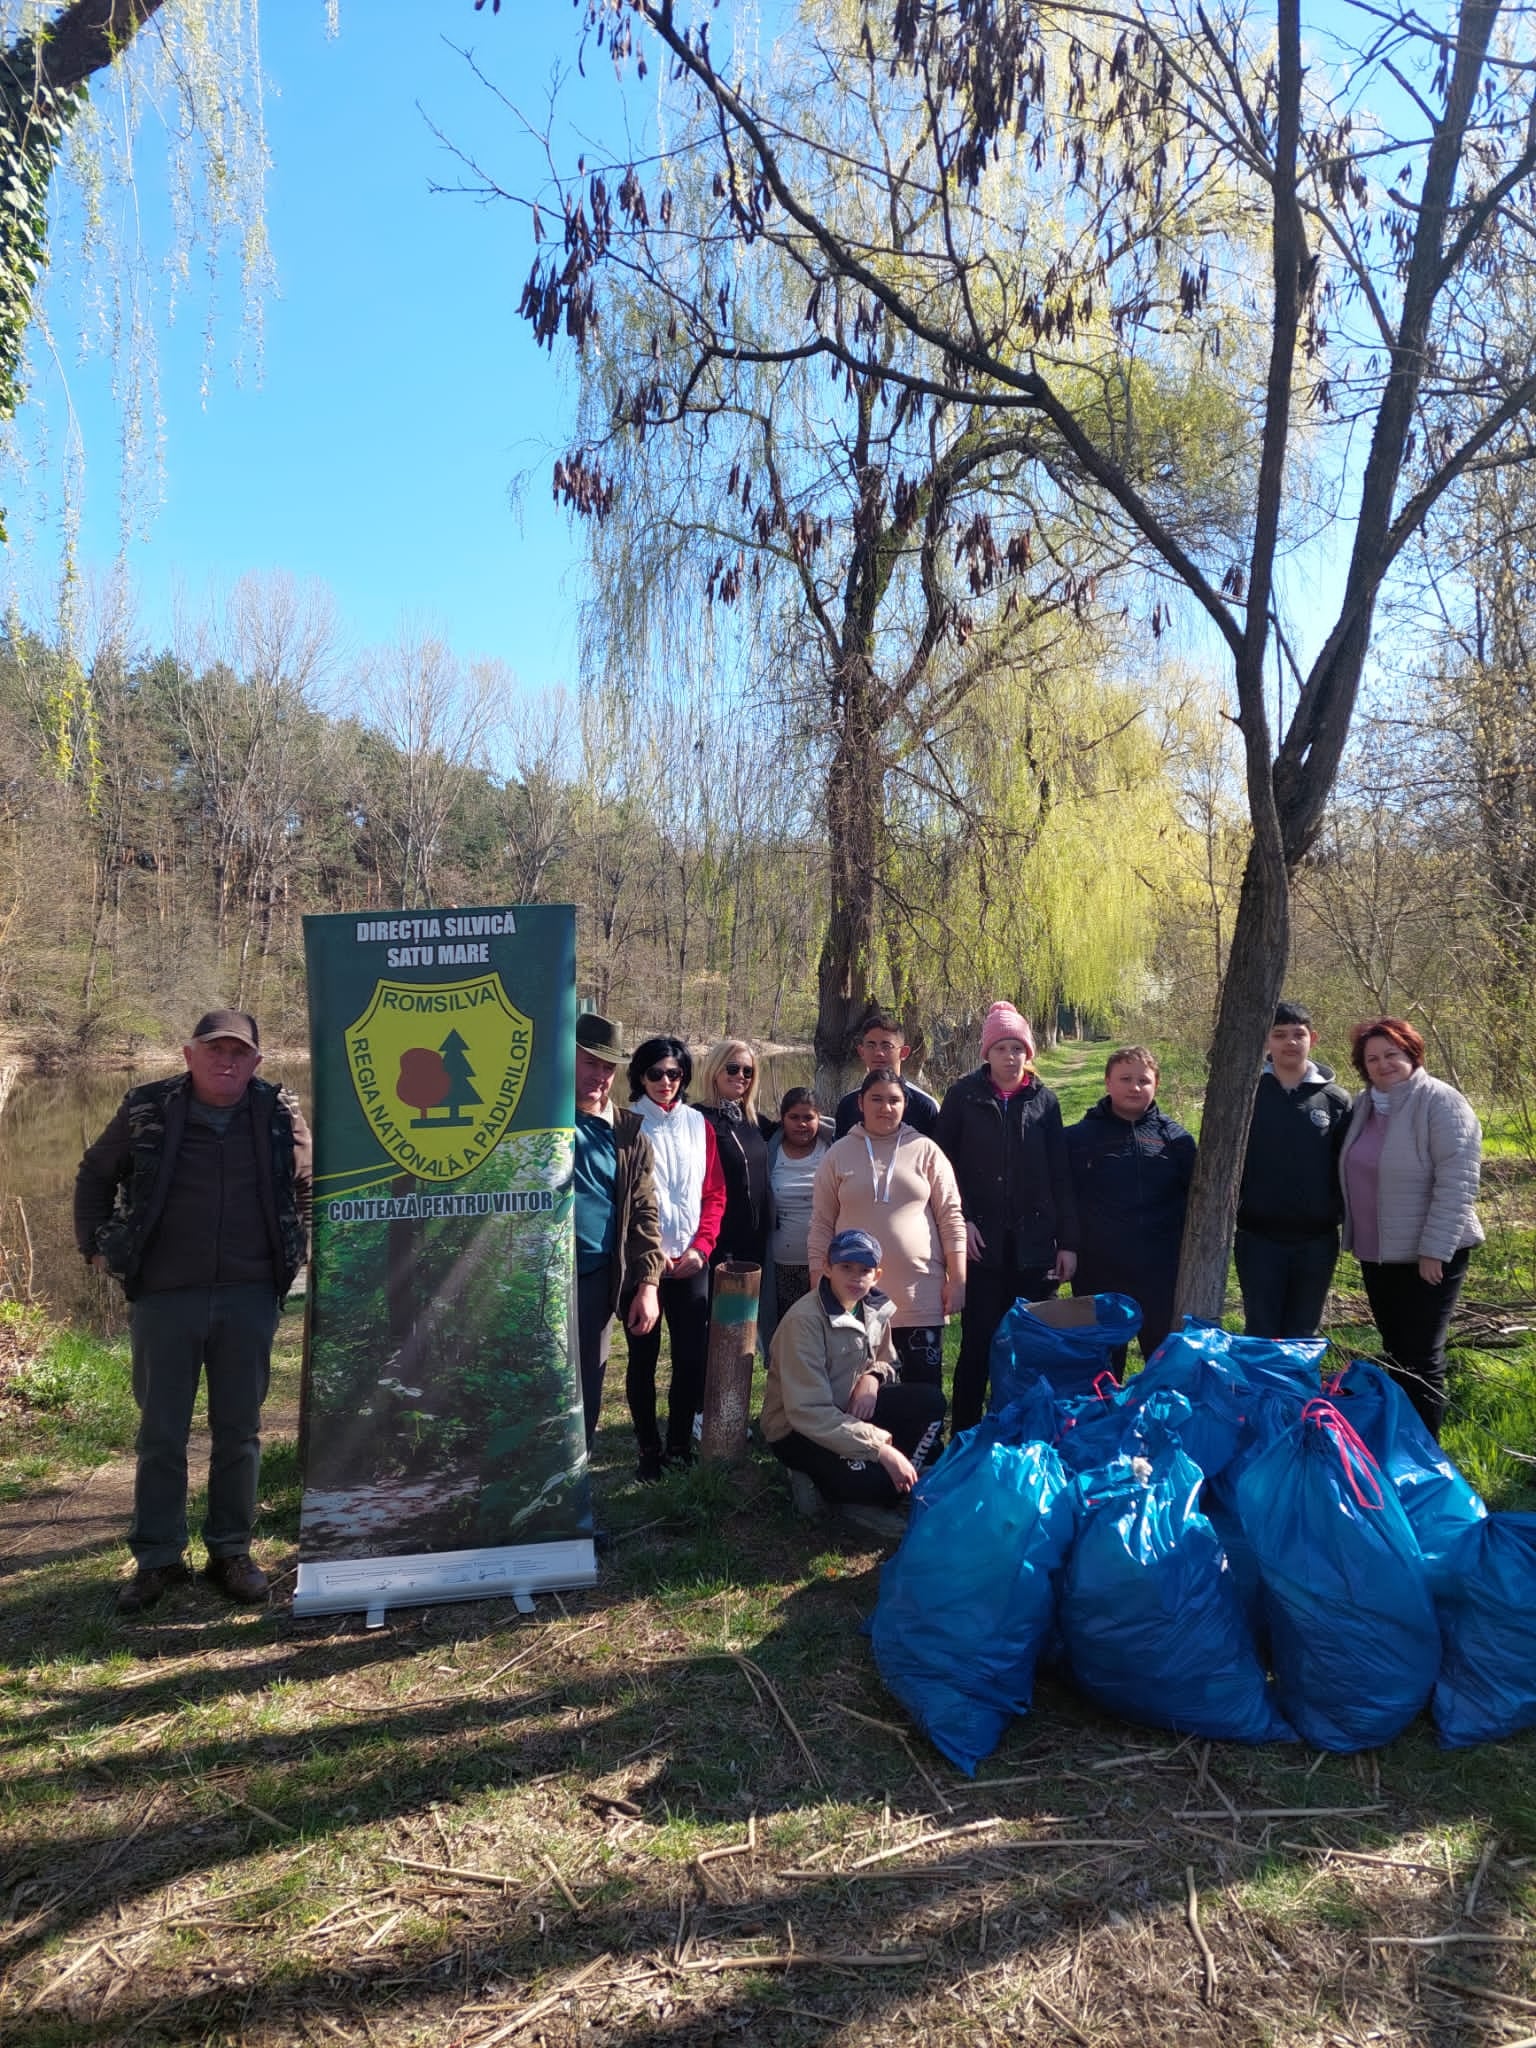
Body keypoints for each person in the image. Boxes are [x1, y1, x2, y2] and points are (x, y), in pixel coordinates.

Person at [74, 1009, 312, 1614]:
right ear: (189, 1055)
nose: (225, 1061)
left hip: (249, 1294)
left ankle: (231, 1551)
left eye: (238, 1052)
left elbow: (309, 1187)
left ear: (256, 1061)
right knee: (161, 1433)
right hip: (164, 1294)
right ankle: (158, 1558)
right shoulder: (146, 1106)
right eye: (214, 1050)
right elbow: (95, 1174)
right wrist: (95, 1246)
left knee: (240, 1432)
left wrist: (303, 1252)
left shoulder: (279, 1110)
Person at [1338, 1016, 1483, 1439]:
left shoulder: (1442, 1102)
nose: (1383, 1064)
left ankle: (1427, 1455)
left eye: (1392, 1054)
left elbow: (1458, 1182)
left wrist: (1434, 1251)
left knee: (1421, 1358)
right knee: (1397, 1353)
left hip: (1430, 1255)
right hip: (1378, 1253)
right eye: (1373, 1059)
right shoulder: (1364, 1106)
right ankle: (1400, 1445)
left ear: (1412, 1054)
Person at [936, 1001, 1078, 1433]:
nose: (1010, 1056)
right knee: (978, 1344)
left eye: (1018, 1048)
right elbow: (941, 1167)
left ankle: (1022, 1431)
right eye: (1001, 1048)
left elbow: (1060, 1174)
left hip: (1035, 1247)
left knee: (1031, 1346)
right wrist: (961, 1221)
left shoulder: (1044, 1101)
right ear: (987, 1053)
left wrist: (1068, 1242)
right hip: (982, 1248)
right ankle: (965, 1433)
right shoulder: (963, 1097)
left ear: (1028, 1053)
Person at [761, 1226, 946, 1536]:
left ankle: (886, 1480)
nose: (855, 1277)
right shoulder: (804, 1322)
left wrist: (873, 1378)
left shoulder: (874, 1307)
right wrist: (880, 1449)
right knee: (880, 1481)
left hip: (848, 1411)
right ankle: (833, 1490)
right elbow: (807, 1411)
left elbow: (887, 1360)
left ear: (877, 1275)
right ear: (827, 1268)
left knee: (931, 1402)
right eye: (846, 1267)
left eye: (865, 1270)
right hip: (799, 1429)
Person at [806, 1068, 966, 1389]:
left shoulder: (926, 1150)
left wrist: (959, 1279)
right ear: (861, 1104)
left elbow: (951, 1216)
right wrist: (818, 1286)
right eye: (876, 1099)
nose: (885, 1107)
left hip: (920, 1296)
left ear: (905, 1104)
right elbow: (821, 1224)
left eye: (894, 1100)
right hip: (854, 1296)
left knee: (922, 1395)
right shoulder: (838, 1154)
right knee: (863, 1392)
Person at [623, 1034, 725, 1479]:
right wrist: (648, 1255)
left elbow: (714, 1193)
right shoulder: (625, 1125)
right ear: (640, 1076)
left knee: (690, 1359)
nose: (666, 1082)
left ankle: (680, 1444)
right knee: (642, 1360)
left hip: (690, 1263)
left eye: (674, 1074)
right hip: (642, 1266)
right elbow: (621, 1203)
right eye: (655, 1074)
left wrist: (702, 1248)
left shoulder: (699, 1125)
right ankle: (649, 1449)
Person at [1065, 1046, 1195, 1363]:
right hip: (1098, 1269)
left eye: (1143, 1080)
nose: (1135, 1087)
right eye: (1125, 1079)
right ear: (1108, 1082)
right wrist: (1067, 1246)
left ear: (1156, 1085)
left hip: (1160, 1271)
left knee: (1162, 1360)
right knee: (1102, 1364)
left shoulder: (1176, 1140)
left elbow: (1195, 1201)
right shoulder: (1078, 1139)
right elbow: (1064, 1198)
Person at [572, 1013, 664, 1457]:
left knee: (587, 1389)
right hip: (535, 1280)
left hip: (595, 1281)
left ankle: (577, 1479)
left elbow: (646, 1212)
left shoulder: (629, 1134)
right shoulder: (538, 1118)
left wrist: (648, 1285)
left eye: (608, 1067)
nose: (600, 1076)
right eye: (590, 1062)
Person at [1234, 1001, 1352, 1338]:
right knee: (1261, 1329)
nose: (1290, 1042)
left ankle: (1299, 1377)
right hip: (1257, 1237)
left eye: (1298, 1034)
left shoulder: (1336, 1100)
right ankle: (1261, 1376)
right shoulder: (1245, 1095)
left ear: (1312, 1038)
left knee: (1303, 1331)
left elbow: (1348, 1167)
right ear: (1266, 1041)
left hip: (1316, 1240)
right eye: (1279, 1034)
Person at [761, 1086, 832, 1353]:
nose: (801, 1124)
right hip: (782, 1265)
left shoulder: (833, 1149)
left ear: (819, 1119)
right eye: (794, 1117)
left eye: (808, 1117)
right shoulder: (770, 1152)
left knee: (822, 1338)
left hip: (827, 1265)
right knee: (787, 1339)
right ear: (782, 1118)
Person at [695, 1038, 771, 1267]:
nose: (741, 1076)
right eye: (732, 1068)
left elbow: (798, 1127)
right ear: (715, 1070)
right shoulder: (696, 1118)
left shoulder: (754, 1121)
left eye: (748, 1071)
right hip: (717, 1239)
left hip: (756, 1240)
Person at [832, 1013, 941, 1138]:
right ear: (861, 1052)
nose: (878, 1053)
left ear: (904, 1052)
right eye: (871, 1046)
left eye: (886, 1046)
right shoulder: (848, 1105)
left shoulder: (925, 1107)